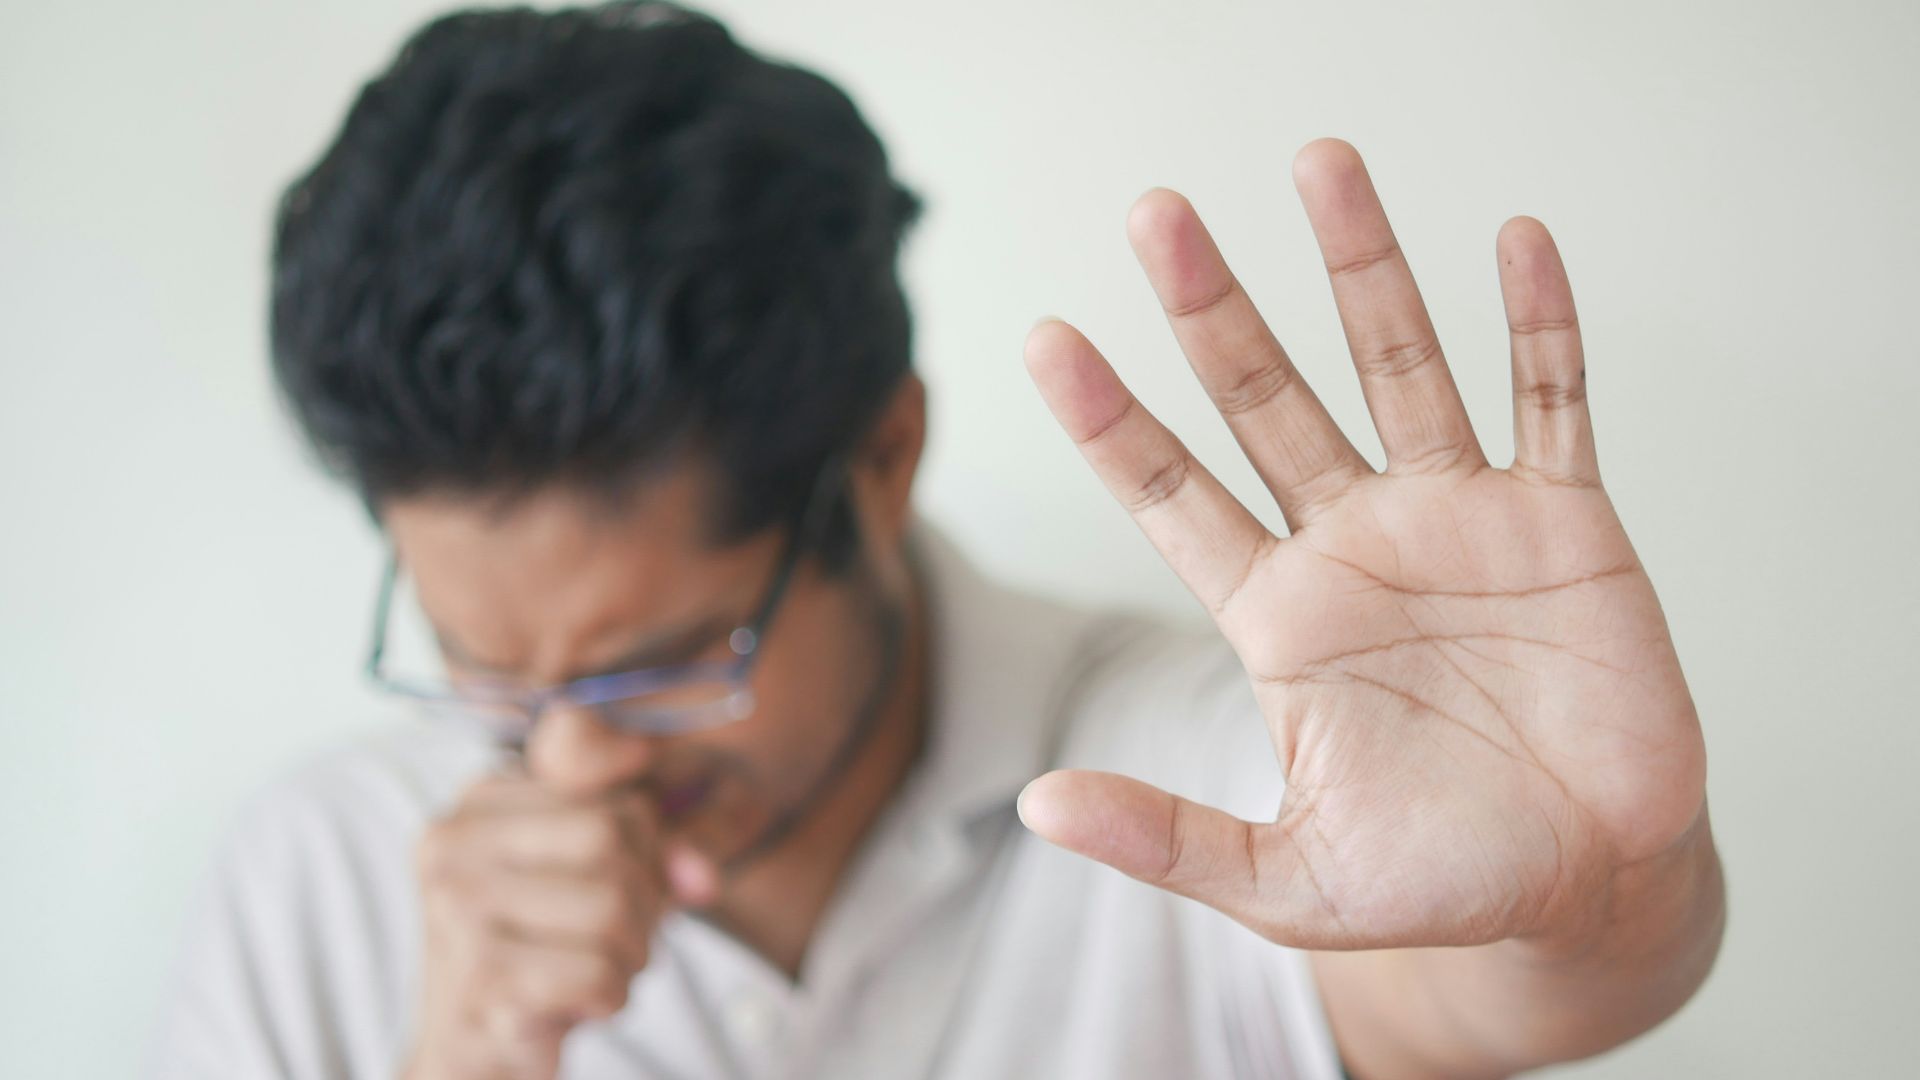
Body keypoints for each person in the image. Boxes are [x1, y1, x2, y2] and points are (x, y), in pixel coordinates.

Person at [147, 2, 1726, 1077]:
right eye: (484, 672)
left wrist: (1595, 898)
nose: (572, 765)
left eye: (670, 664)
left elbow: (1487, 974)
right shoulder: (319, 880)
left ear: (884, 458)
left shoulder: (1209, 763)